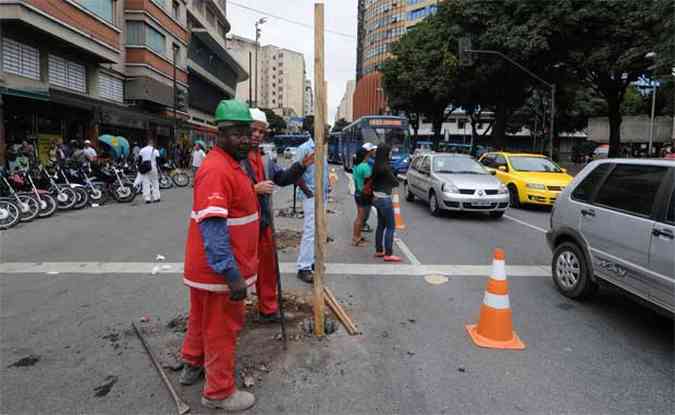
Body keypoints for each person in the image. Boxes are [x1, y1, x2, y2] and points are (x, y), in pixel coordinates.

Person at [180, 99, 258, 412]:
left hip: (206, 271)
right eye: (237, 134)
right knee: (221, 329)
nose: (245, 139)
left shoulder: (230, 163)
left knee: (200, 319)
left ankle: (192, 363)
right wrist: (231, 274)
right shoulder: (216, 169)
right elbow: (213, 230)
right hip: (218, 273)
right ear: (220, 134)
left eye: (247, 132)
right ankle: (219, 392)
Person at [244, 108, 314, 322]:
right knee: (240, 271)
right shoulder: (234, 157)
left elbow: (282, 179)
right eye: (253, 130)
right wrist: (252, 191)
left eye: (261, 132)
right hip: (242, 224)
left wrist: (301, 165)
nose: (257, 135)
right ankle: (232, 316)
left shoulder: (265, 159)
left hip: (263, 222)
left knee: (267, 268)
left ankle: (268, 309)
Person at [294, 135, 329, 283]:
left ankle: (313, 260)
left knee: (319, 230)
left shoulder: (321, 148)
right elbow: (296, 173)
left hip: (322, 195)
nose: (328, 132)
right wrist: (309, 193)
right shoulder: (304, 149)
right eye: (326, 129)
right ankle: (304, 267)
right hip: (312, 196)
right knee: (310, 231)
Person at [371, 144, 401, 262]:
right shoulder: (386, 167)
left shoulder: (376, 165)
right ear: (386, 153)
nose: (391, 154)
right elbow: (396, 183)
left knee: (380, 225)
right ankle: (388, 253)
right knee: (390, 226)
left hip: (376, 198)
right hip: (385, 199)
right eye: (389, 152)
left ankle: (379, 250)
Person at [352, 144, 375, 246]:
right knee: (361, 218)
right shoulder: (365, 167)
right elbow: (368, 182)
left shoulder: (357, 166)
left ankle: (358, 237)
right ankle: (356, 239)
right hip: (363, 194)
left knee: (359, 217)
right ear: (366, 154)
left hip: (358, 193)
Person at [138, 138, 161, 204]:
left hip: (145, 168)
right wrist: (159, 169)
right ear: (152, 143)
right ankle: (157, 197)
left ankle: (147, 199)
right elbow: (158, 161)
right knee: (155, 183)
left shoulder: (142, 150)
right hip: (153, 168)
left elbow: (139, 161)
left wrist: (140, 168)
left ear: (147, 143)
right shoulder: (156, 151)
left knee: (146, 183)